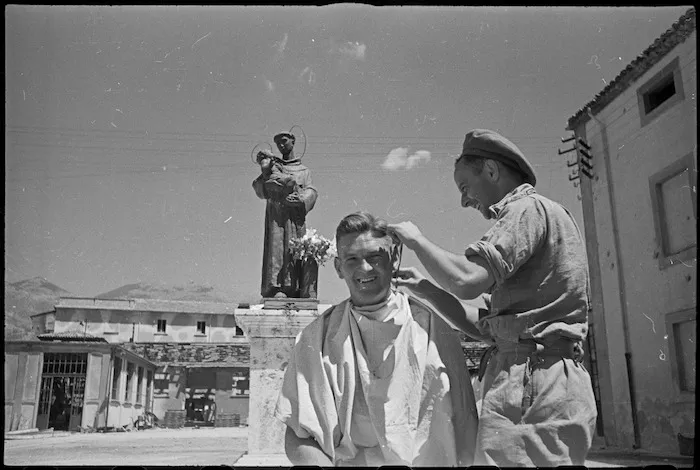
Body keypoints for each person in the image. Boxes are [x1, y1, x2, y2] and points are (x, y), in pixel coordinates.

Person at [389, 129, 597, 467]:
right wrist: (425, 288)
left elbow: (467, 279)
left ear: (491, 170)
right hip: (549, 378)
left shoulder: (524, 210)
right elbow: (485, 328)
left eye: (465, 187)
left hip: (531, 381)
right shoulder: (548, 216)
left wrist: (417, 240)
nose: (464, 200)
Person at [275, 212, 479, 467]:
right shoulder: (316, 338)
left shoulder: (435, 333)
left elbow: (467, 427)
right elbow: (297, 436)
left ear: (395, 259)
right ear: (339, 267)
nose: (365, 268)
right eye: (352, 259)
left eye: (375, 257)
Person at [252, 131, 318, 298]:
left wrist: (301, 199)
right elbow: (260, 190)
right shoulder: (273, 166)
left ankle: (297, 289)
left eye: (284, 141)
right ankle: (277, 288)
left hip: (295, 218)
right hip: (277, 217)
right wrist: (264, 171)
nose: (281, 145)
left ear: (293, 141)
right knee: (277, 249)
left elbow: (311, 190)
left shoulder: (303, 170)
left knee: (295, 249)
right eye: (278, 143)